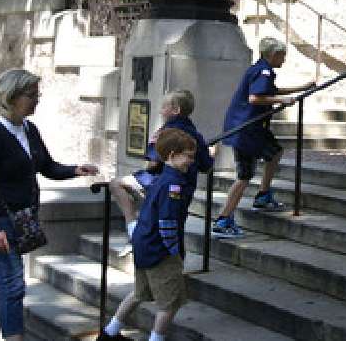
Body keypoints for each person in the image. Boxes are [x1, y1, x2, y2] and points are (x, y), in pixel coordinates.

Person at [0, 69, 99, 341]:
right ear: (11, 97)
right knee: (12, 286)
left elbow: (47, 166)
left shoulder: (28, 129)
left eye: (37, 94)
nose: (37, 100)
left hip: (20, 219)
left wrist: (75, 170)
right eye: (31, 95)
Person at [97, 128, 199, 341]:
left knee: (139, 293)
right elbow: (167, 221)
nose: (191, 161)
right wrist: (174, 251)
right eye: (188, 156)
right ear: (172, 155)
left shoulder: (159, 179)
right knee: (170, 304)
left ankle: (109, 332)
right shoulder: (173, 184)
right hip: (159, 251)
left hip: (144, 245)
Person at [211, 37, 313, 238]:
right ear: (273, 55)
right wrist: (282, 100)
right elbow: (255, 98)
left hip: (253, 129)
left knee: (274, 152)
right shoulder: (263, 71)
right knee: (244, 176)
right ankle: (223, 219)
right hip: (246, 130)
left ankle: (263, 195)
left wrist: (301, 88)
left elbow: (270, 91)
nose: (284, 59)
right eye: (282, 56)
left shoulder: (260, 69)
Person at [109, 90, 212, 257]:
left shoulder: (165, 133)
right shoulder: (196, 135)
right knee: (176, 222)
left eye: (164, 107)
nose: (160, 111)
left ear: (176, 110)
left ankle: (133, 229)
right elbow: (206, 166)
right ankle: (177, 258)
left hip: (160, 183)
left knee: (116, 184)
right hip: (185, 187)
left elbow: (153, 163)